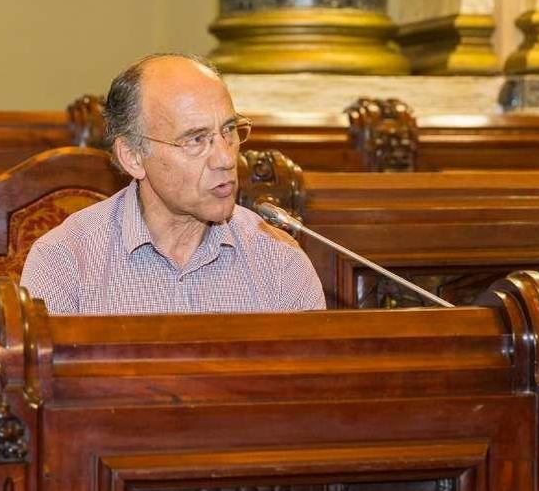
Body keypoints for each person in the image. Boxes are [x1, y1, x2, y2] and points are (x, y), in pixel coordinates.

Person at [20, 54, 325, 314]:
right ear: (133, 157)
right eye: (195, 139)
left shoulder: (279, 261)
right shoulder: (65, 262)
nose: (225, 159)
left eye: (229, 131)